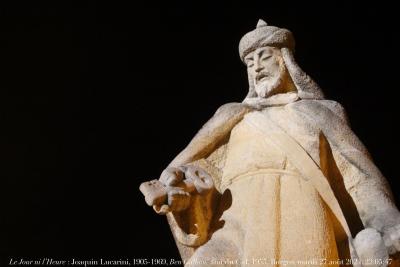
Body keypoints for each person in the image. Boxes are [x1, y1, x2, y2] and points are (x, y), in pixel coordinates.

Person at [140, 20, 400, 266]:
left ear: (284, 60)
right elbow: (198, 171)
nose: (257, 67)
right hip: (236, 222)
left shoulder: (320, 111)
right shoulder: (231, 115)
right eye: (250, 62)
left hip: (302, 217)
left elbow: (357, 175)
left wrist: (387, 221)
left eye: (264, 56)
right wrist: (182, 192)